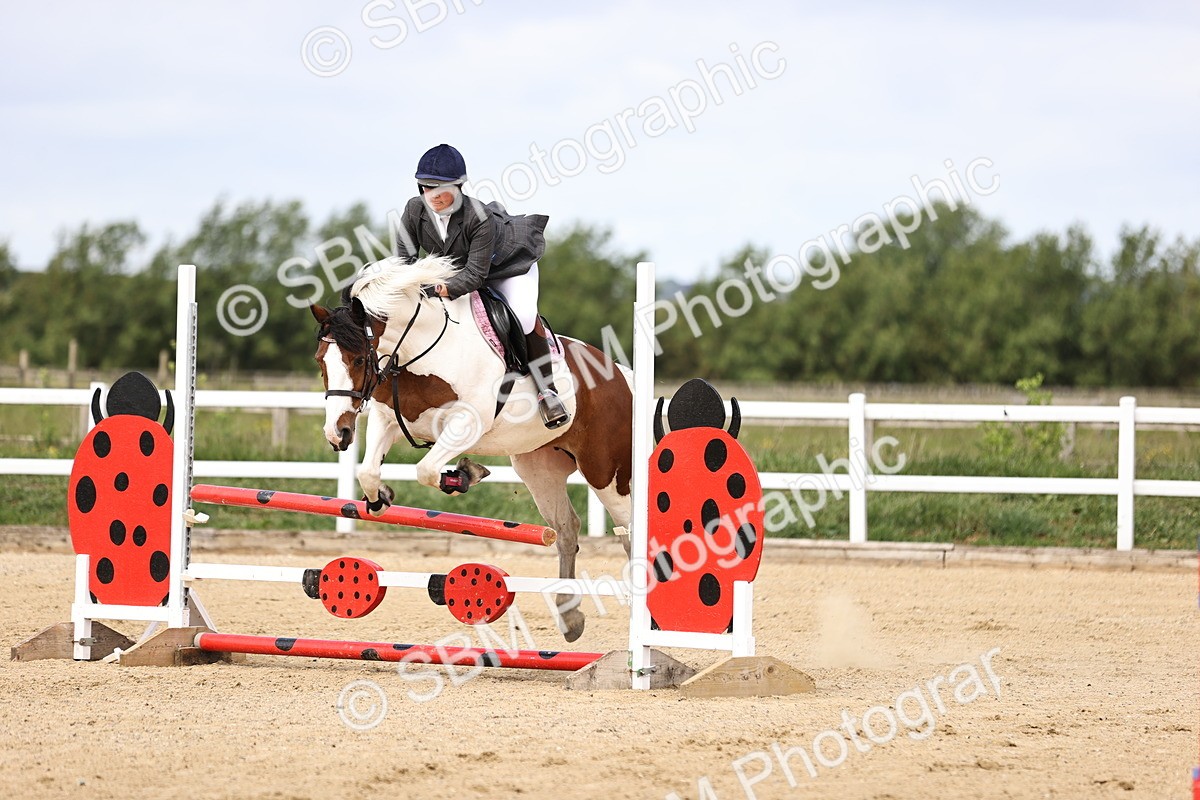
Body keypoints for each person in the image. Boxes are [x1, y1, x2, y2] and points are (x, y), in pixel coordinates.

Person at [395, 144, 568, 429]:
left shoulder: (478, 217)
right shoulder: (415, 210)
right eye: (427, 187)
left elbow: (476, 275)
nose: (433, 196)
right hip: (461, 270)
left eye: (441, 188)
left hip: (508, 266)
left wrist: (437, 289)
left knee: (523, 316)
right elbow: (405, 262)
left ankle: (547, 392)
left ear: (459, 186)